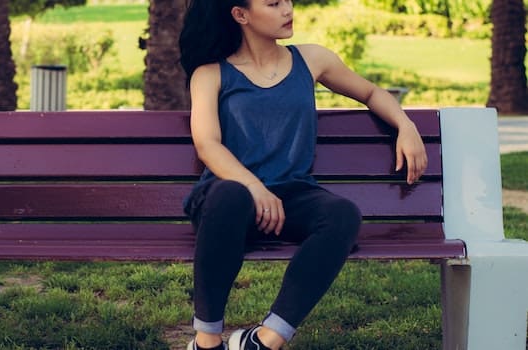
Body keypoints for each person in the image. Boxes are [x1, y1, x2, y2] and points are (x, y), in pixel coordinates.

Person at [178, 0, 429, 349]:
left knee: (342, 215)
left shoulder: (311, 60)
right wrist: (253, 187)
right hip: (226, 200)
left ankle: (266, 339)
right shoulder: (211, 74)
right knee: (231, 195)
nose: (287, 9)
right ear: (241, 15)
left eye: (288, 1)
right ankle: (206, 340)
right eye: (273, 3)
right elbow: (208, 144)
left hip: (289, 196)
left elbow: (371, 92)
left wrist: (405, 124)